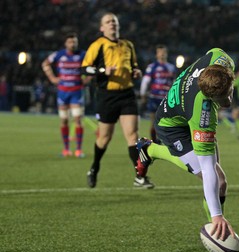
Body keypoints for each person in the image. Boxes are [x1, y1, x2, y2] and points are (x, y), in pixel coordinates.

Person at [135, 48, 237, 240]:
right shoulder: (203, 113)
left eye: (230, 90)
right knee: (216, 178)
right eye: (223, 98)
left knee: (220, 183)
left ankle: (216, 226)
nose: (229, 99)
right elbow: (208, 169)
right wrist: (217, 215)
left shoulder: (222, 58)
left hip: (182, 111)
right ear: (210, 98)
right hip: (171, 127)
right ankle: (150, 150)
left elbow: (211, 51)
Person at [81, 12, 153, 189]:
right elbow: (84, 69)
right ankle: (94, 168)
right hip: (107, 95)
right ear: (102, 28)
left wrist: (137, 72)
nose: (112, 23)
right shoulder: (98, 45)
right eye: (108, 21)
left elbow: (134, 65)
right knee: (104, 138)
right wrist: (102, 71)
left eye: (114, 20)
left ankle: (140, 177)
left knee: (132, 136)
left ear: (118, 25)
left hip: (127, 94)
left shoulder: (128, 45)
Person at [42, 32, 91, 158]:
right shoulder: (59, 54)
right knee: (64, 120)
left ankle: (79, 150)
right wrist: (52, 78)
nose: (72, 44)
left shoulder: (83, 54)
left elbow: (93, 67)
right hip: (63, 91)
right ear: (65, 43)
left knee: (77, 119)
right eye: (70, 41)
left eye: (74, 41)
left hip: (76, 91)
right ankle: (66, 149)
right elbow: (45, 64)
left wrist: (87, 80)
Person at [139, 45, 176, 143]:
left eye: (164, 52)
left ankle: (167, 141)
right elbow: (145, 81)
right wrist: (143, 94)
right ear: (156, 54)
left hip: (167, 98)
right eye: (160, 52)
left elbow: (175, 83)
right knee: (154, 121)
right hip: (154, 97)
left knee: (168, 122)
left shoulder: (171, 67)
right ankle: (155, 141)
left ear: (167, 54)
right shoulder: (152, 67)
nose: (162, 54)